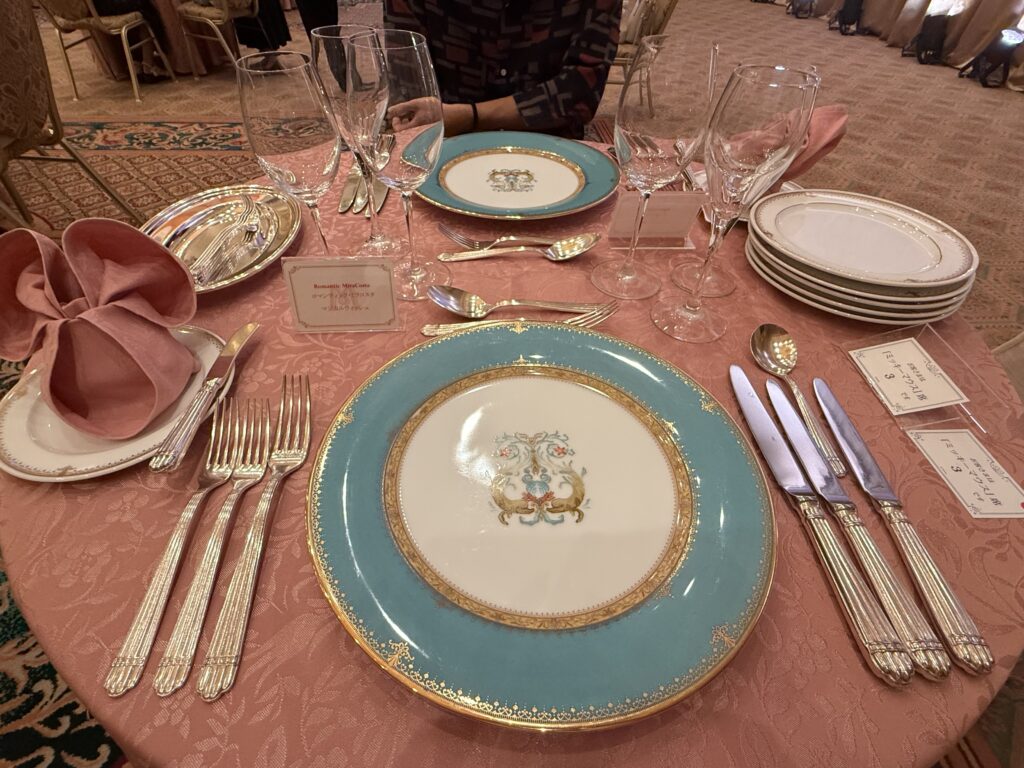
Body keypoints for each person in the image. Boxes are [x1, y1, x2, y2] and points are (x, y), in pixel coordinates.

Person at [383, 0, 622, 139]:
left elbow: (581, 92)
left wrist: (469, 117)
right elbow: (410, 96)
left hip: (558, 155)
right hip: (442, 150)